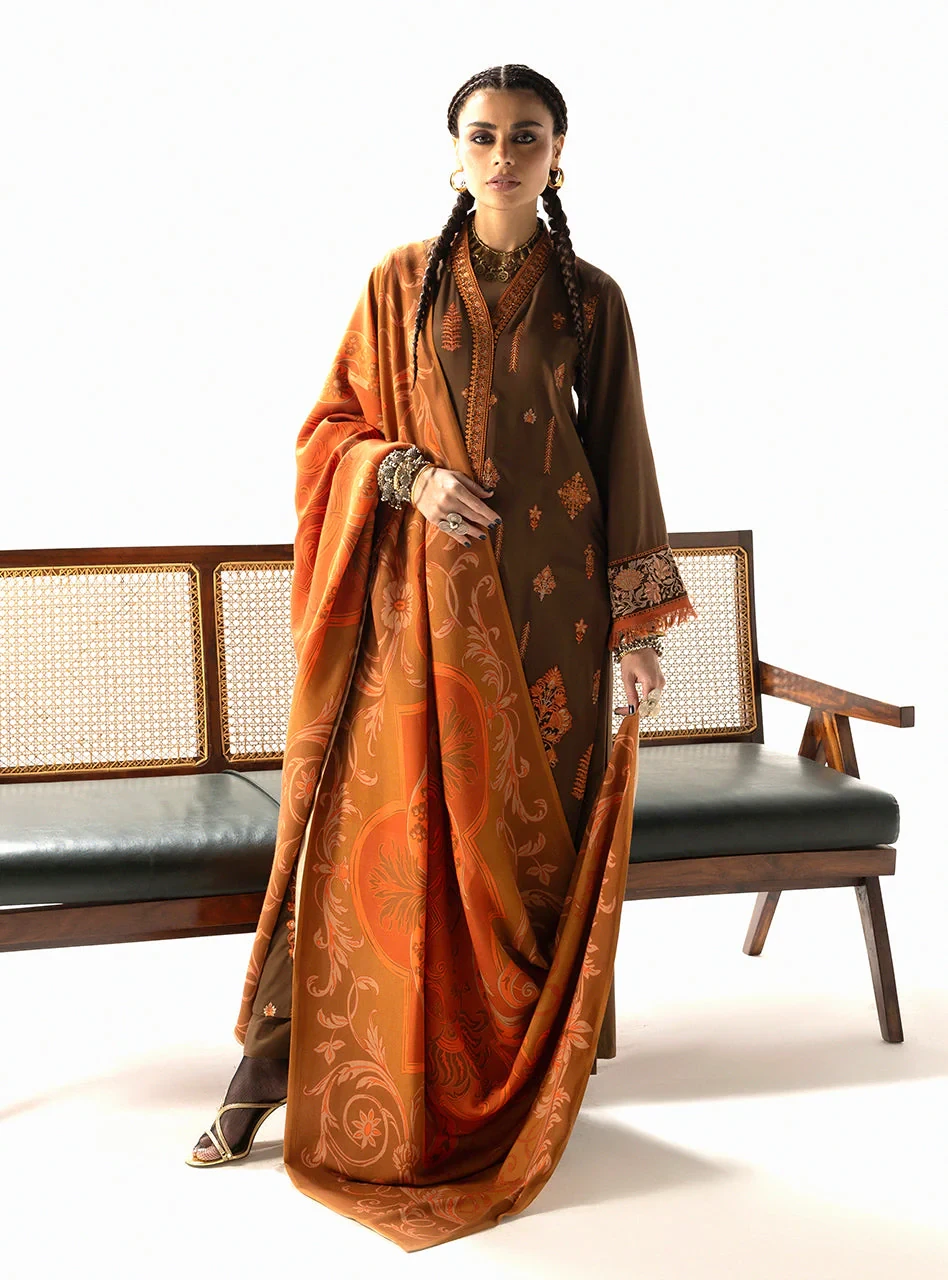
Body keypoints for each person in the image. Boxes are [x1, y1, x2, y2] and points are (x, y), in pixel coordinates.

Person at [187, 63, 696, 1251]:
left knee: (523, 850)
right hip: (414, 611)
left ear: (559, 153)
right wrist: (407, 475)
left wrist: (634, 625)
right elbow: (330, 430)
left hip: (552, 616)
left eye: (527, 136)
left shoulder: (591, 301)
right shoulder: (397, 284)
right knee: (373, 831)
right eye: (484, 135)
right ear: (454, 151)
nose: (503, 155)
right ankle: (270, 1072)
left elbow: (622, 453)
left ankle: (514, 1081)